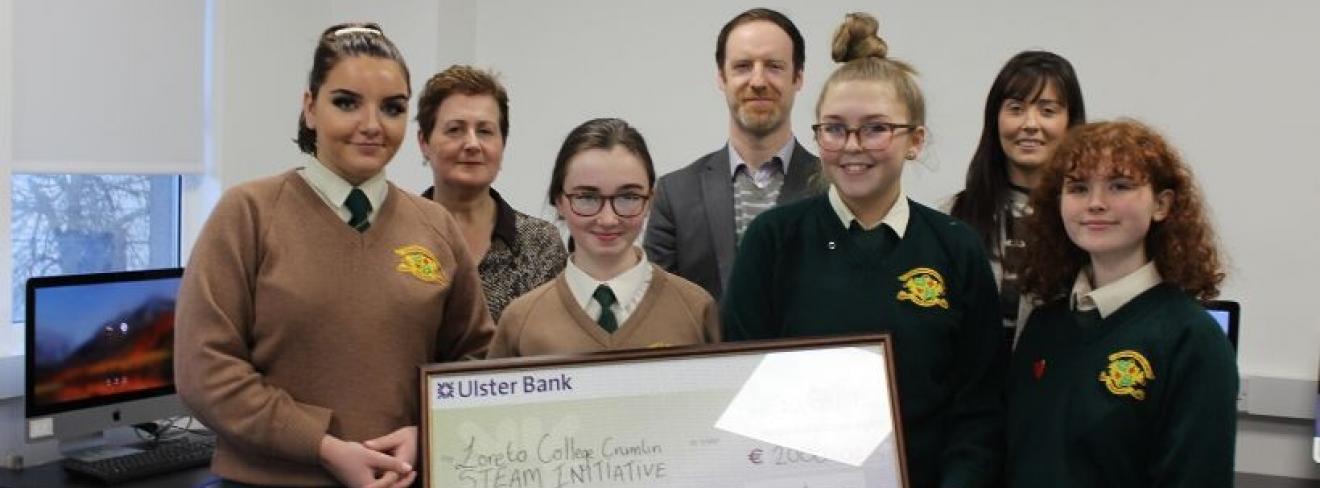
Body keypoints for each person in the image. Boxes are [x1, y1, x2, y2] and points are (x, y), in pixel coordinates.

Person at [174, 23, 493, 488]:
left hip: (403, 479)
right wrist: (321, 446)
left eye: (392, 108)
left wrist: (426, 432)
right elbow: (205, 371)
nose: (371, 125)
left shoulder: (435, 225)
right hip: (267, 481)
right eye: (347, 102)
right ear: (310, 108)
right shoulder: (249, 214)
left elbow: (475, 358)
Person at [721, 13, 1004, 488]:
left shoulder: (955, 247)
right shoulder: (772, 242)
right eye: (834, 129)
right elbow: (742, 386)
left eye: (875, 129)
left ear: (914, 140)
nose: (852, 147)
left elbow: (979, 407)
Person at [1008, 120, 1237, 487]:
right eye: (1079, 188)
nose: (1096, 203)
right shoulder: (1045, 324)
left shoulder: (1193, 340)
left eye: (1119, 185)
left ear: (1162, 204)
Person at [489, 118, 719, 358]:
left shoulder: (695, 308)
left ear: (650, 199)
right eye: (587, 198)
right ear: (559, 201)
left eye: (628, 197)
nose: (608, 219)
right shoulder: (521, 322)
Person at [644, 7, 822, 301]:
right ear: (721, 77)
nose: (758, 81)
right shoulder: (675, 194)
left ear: (798, 77)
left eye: (774, 66)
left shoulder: (834, 188)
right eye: (742, 66)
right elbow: (661, 310)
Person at [948, 51, 1086, 349]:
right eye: (1015, 108)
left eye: (1047, 111)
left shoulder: (1089, 218)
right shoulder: (954, 215)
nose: (1030, 124)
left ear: (1071, 122)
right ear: (995, 119)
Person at [416, 65, 567, 321]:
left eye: (485, 131)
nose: (472, 144)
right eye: (455, 130)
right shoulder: (395, 234)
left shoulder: (540, 244)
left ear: (503, 143)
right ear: (424, 142)